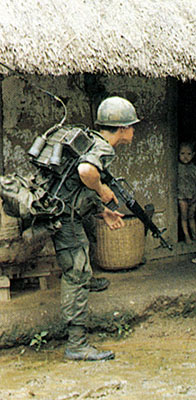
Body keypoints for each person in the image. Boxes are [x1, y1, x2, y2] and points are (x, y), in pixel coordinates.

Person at [50, 96, 140, 361]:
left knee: (81, 262)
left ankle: (87, 282)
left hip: (66, 210)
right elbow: (86, 172)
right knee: (76, 273)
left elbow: (77, 187)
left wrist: (104, 210)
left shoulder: (91, 139)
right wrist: (102, 190)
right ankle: (76, 345)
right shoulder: (103, 148)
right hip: (64, 216)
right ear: (122, 129)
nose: (134, 131)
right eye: (132, 126)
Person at [177, 142, 196, 244]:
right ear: (178, 154)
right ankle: (187, 236)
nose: (185, 157)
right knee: (184, 216)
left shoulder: (194, 169)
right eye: (182, 153)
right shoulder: (176, 167)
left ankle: (194, 235)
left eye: (188, 154)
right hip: (182, 197)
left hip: (192, 196)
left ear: (193, 155)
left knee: (191, 216)